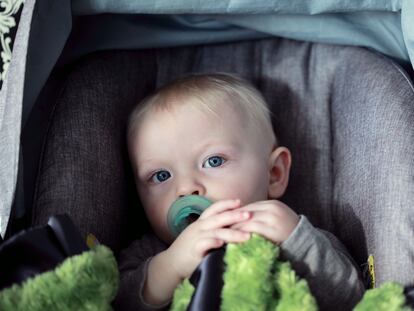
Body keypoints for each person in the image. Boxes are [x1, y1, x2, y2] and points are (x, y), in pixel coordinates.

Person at [115, 73, 365, 310]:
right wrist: (170, 266)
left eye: (213, 161)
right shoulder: (152, 252)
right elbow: (116, 302)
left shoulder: (294, 236)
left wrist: (298, 242)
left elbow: (353, 299)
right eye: (161, 176)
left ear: (274, 173)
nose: (185, 188)